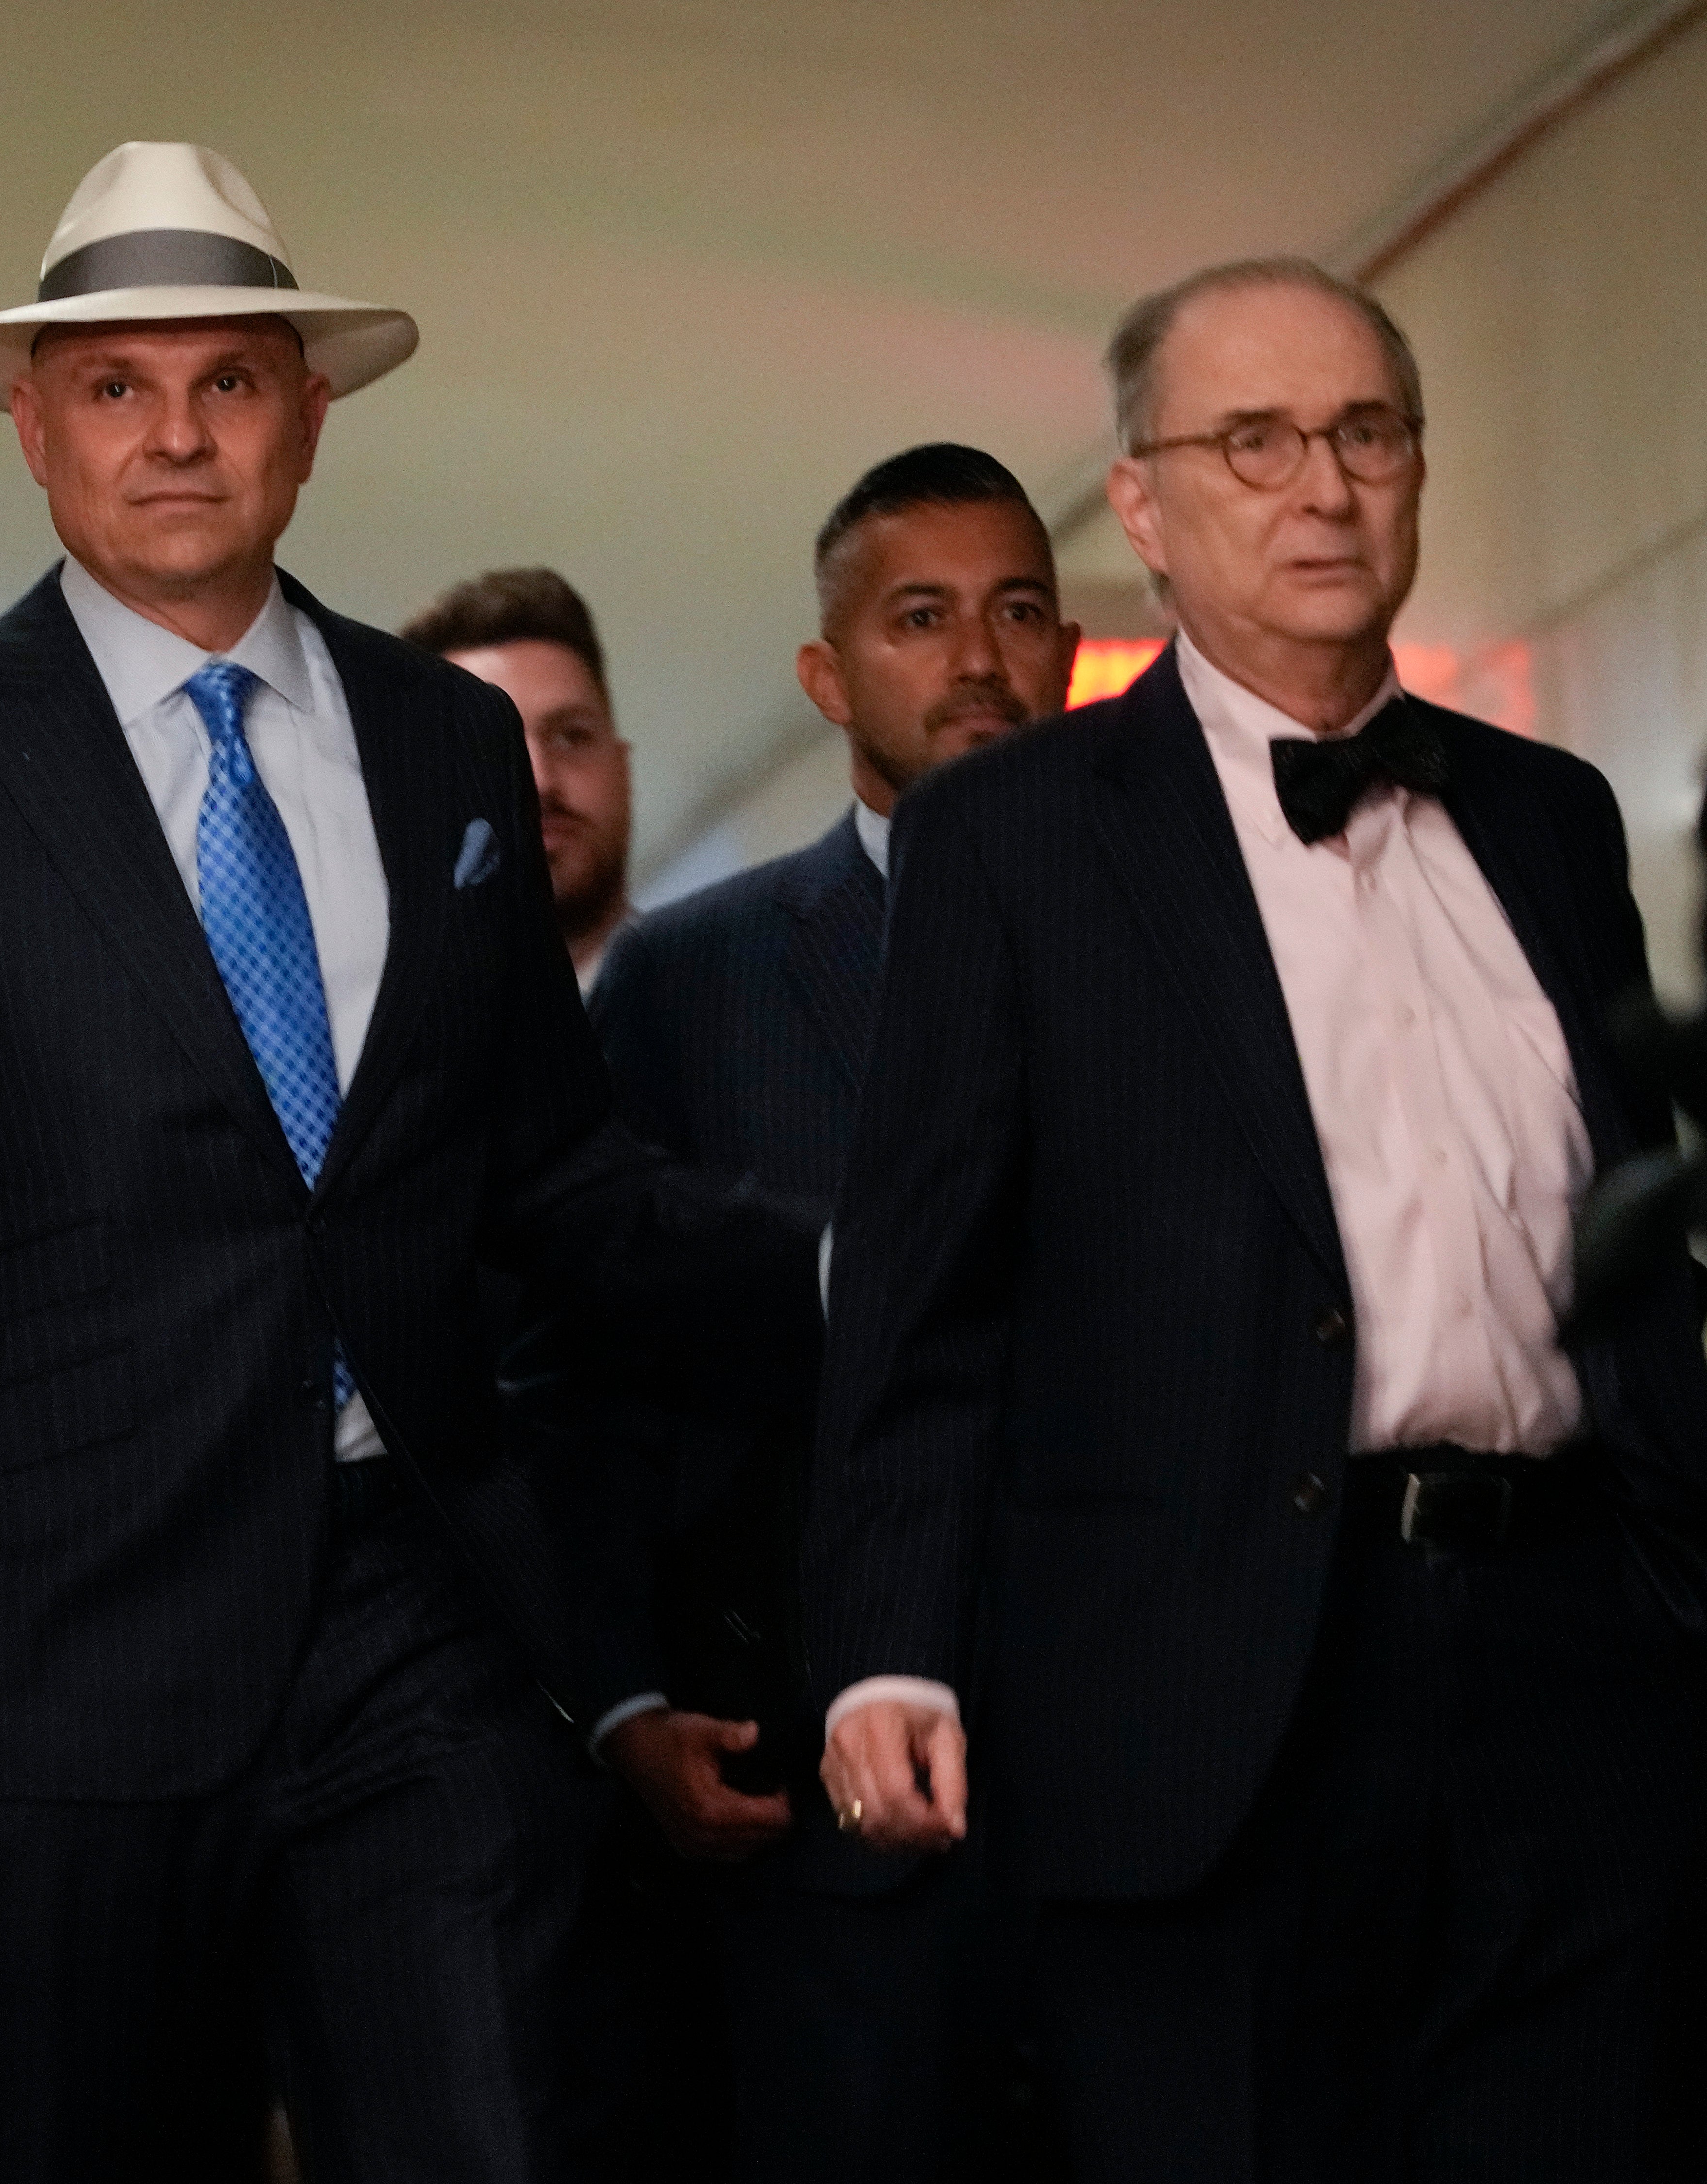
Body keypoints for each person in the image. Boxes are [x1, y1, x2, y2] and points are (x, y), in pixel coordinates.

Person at [0, 140, 813, 2182]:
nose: (172, 438)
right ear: (31, 431)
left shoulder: (441, 746)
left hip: (413, 1612)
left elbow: (552, 1184)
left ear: (305, 421)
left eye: (225, 382)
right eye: (114, 390)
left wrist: (850, 1272)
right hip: (44, 1666)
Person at [807, 258, 1707, 2179]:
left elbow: (1628, 1235)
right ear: (1136, 502)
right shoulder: (1015, 837)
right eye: (1252, 439)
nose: (1320, 486)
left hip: (1571, 1665)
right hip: (1200, 1682)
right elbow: (917, 1286)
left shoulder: (1545, 816)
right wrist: (887, 1644)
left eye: (1362, 432)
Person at [586, 447, 1074, 2182]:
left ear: (1070, 645)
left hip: (1170, 1788)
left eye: (1015, 612)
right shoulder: (689, 981)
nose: (974, 661)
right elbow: (591, 1353)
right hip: (822, 1801)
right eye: (919, 617)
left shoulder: (1191, 951)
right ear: (826, 673)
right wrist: (620, 1688)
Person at [400, 569, 633, 995]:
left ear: (623, 766)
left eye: (572, 736)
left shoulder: (750, 999)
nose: (539, 782)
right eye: (488, 747)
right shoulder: (393, 1054)